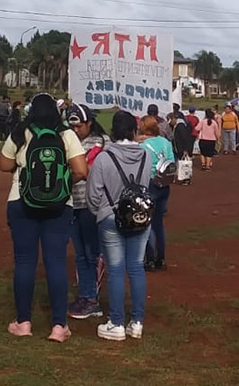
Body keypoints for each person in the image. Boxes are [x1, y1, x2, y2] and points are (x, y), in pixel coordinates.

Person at [0, 94, 87, 342]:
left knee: (25, 261)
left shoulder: (20, 132)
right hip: (59, 205)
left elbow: (4, 165)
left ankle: (23, 322)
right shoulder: (66, 134)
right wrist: (60, 183)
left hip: (21, 200)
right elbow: (81, 170)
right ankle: (59, 326)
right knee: (56, 262)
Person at [86, 111, 154, 341]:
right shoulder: (146, 156)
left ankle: (116, 322)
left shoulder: (104, 158)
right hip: (140, 218)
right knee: (136, 267)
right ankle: (136, 322)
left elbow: (93, 193)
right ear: (134, 131)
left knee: (115, 268)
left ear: (113, 131)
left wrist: (100, 211)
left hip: (110, 217)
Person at [65, 104, 107, 320]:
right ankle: (86, 295)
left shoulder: (102, 142)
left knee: (92, 253)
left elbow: (84, 172)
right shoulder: (66, 139)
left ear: (89, 123)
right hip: (71, 202)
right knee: (80, 253)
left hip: (91, 204)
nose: (75, 130)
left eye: (79, 126)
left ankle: (92, 299)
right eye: (72, 126)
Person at [138, 117, 175, 272]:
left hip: (149, 184)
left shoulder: (142, 145)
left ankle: (150, 259)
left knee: (147, 223)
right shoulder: (165, 143)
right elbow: (172, 161)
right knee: (159, 224)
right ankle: (161, 258)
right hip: (164, 185)